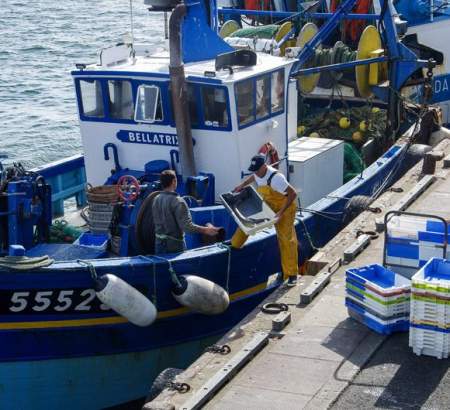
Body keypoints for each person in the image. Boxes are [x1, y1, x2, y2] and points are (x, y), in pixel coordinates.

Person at [232, 154, 299, 286]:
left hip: (285, 208)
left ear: (264, 166)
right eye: (254, 170)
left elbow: (293, 193)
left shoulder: (276, 178)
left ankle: (291, 274)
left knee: (286, 240)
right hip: (270, 205)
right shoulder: (257, 172)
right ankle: (235, 244)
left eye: (257, 169)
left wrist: (281, 212)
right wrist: (242, 185)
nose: (255, 172)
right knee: (248, 221)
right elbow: (254, 177)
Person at [152, 170, 220, 254]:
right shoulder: (178, 201)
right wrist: (206, 230)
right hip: (174, 248)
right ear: (174, 181)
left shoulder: (156, 199)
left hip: (158, 245)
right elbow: (187, 227)